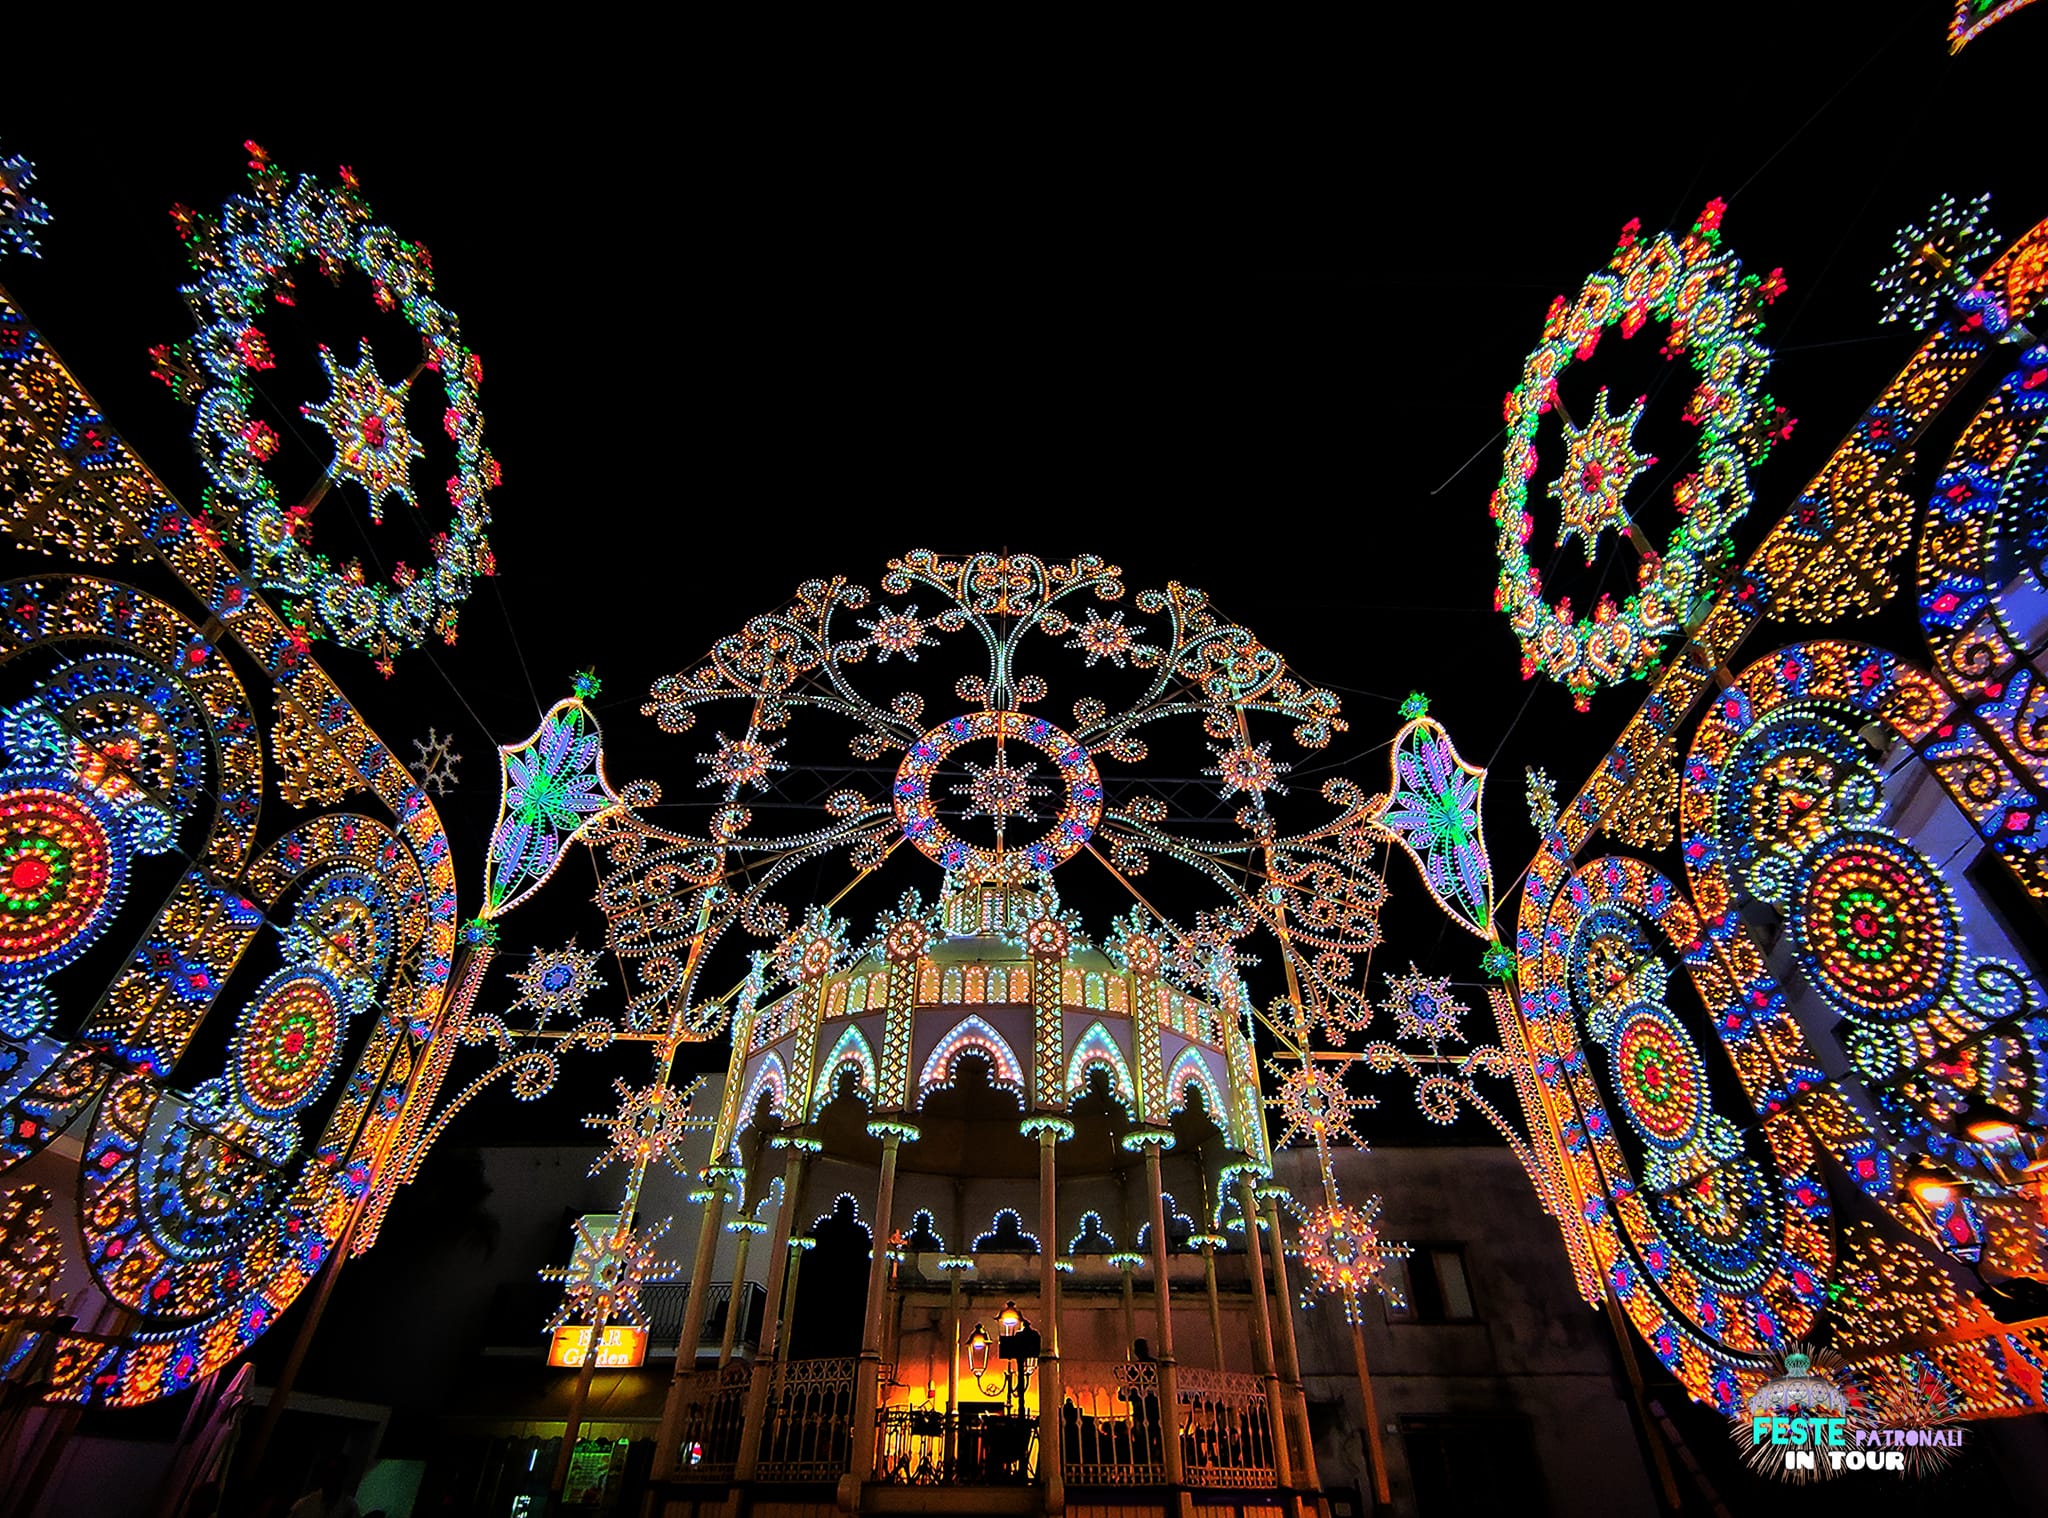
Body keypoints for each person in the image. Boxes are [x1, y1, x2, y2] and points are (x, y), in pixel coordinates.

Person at [285, 1454, 359, 1518]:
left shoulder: (350, 1508)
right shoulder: (303, 1505)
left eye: (337, 1473)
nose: (333, 1477)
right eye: (330, 1472)